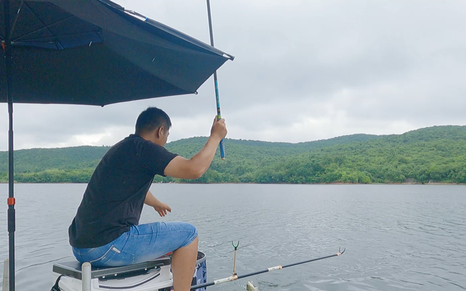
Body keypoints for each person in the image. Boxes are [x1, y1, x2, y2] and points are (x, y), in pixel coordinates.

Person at [68, 107, 227, 291]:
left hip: (81, 248)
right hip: (107, 247)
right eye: (167, 135)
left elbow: (129, 187)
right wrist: (215, 137)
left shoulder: (124, 148)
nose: (166, 141)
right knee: (189, 234)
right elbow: (194, 169)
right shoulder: (145, 149)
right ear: (160, 131)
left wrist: (156, 203)